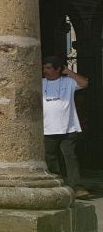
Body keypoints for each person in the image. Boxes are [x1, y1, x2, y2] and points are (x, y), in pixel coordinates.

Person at [42, 56, 90, 199]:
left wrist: (68, 71)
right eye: (44, 68)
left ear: (58, 69)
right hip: (47, 128)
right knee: (50, 158)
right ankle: (57, 184)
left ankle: (76, 186)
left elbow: (84, 83)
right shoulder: (40, 83)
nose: (45, 71)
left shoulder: (68, 82)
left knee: (70, 157)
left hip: (68, 127)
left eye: (49, 68)